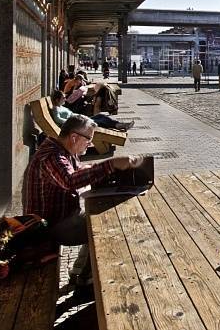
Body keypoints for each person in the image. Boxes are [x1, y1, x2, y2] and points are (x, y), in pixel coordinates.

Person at [22, 115, 143, 293]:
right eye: (89, 139)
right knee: (104, 227)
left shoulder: (61, 150)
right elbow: (70, 180)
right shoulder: (52, 156)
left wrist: (97, 168)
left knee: (97, 221)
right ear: (74, 137)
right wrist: (111, 165)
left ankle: (81, 274)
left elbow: (75, 171)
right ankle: (86, 282)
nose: (90, 144)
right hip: (47, 226)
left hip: (58, 217)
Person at [51, 90, 132, 131]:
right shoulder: (56, 109)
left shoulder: (61, 106)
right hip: (77, 124)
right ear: (57, 100)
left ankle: (118, 124)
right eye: (63, 98)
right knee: (99, 122)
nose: (65, 99)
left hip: (78, 120)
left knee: (101, 116)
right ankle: (119, 125)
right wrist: (71, 120)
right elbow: (58, 119)